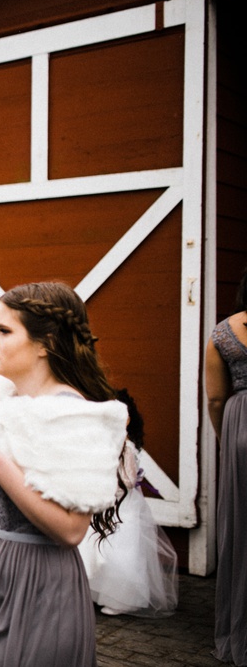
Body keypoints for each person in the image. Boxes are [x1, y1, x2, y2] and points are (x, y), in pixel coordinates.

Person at [0, 281, 128, 666]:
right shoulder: (8, 403)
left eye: (4, 330)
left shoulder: (74, 414)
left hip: (38, 578)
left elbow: (70, 530)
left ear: (45, 343)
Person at [76, 389, 178, 617]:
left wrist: (107, 486)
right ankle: (97, 592)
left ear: (128, 417)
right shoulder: (102, 440)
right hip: (103, 500)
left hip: (121, 503)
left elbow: (129, 480)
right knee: (99, 545)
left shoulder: (126, 445)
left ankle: (124, 597)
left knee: (122, 548)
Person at [206, 264, 247, 666]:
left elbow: (215, 399)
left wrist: (228, 440)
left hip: (241, 429)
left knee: (242, 530)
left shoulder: (224, 332)